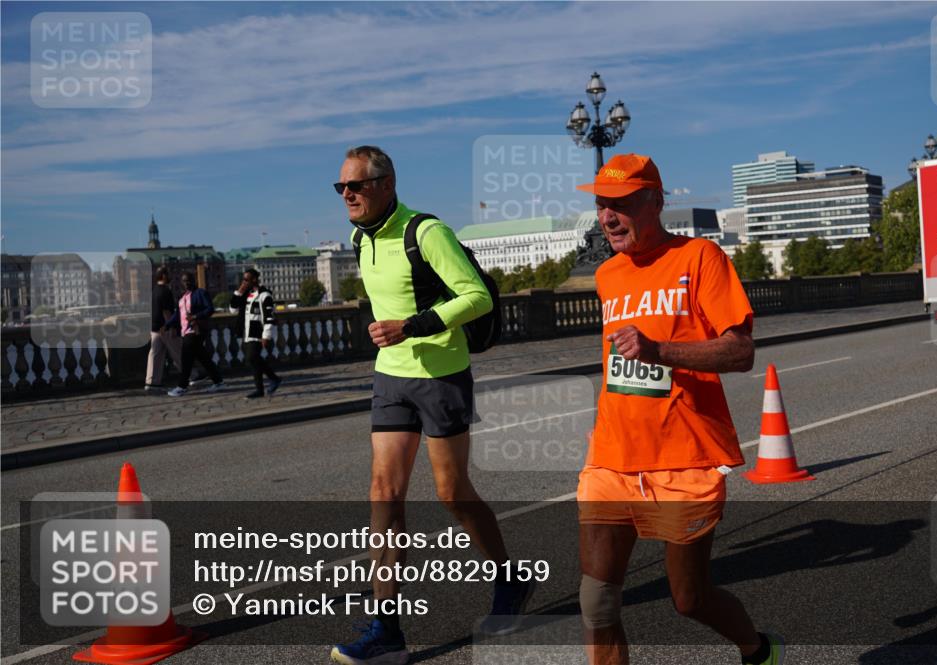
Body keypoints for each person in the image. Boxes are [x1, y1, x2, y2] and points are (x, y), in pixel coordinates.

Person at [574, 154, 784, 665]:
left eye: (622, 203)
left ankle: (758, 650)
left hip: (684, 461)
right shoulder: (607, 274)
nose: (607, 217)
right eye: (601, 204)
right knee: (597, 603)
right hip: (612, 457)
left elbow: (740, 351)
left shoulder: (700, 258)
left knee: (690, 599)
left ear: (656, 202)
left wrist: (659, 350)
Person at [329, 146, 534, 665]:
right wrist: (390, 334)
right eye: (341, 187)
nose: (347, 194)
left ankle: (509, 579)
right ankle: (387, 629)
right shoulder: (359, 238)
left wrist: (412, 326)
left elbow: (477, 296)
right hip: (391, 377)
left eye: (355, 185)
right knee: (384, 494)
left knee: (452, 493)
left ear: (386, 184)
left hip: (441, 376)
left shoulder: (426, 232)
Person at [166, 272, 226, 397]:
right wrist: (167, 325)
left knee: (186, 359)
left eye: (189, 280)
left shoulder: (200, 293)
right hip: (185, 331)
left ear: (194, 281)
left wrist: (195, 316)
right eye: (184, 281)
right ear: (181, 283)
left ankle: (182, 386)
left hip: (195, 330)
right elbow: (178, 314)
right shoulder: (183, 297)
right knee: (204, 358)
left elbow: (210, 309)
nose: (187, 282)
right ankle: (218, 382)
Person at [231, 268, 281, 399]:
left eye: (246, 280)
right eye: (243, 280)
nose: (244, 282)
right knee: (253, 360)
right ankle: (263, 387)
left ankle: (272, 380)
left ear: (254, 280)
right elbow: (232, 309)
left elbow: (269, 316)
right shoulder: (245, 294)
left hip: (258, 332)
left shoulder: (265, 295)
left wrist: (266, 336)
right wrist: (239, 292)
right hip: (246, 332)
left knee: (251, 357)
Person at [145, 267, 184, 391]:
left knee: (155, 355)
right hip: (164, 328)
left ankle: (152, 382)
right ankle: (192, 376)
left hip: (154, 327)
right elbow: (166, 311)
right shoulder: (166, 291)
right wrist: (171, 326)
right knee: (179, 352)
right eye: (168, 274)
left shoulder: (154, 290)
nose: (170, 276)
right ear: (163, 276)